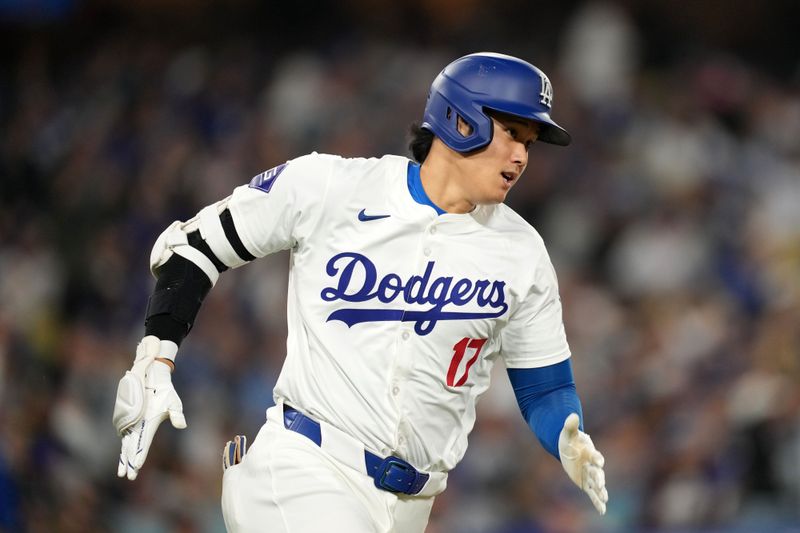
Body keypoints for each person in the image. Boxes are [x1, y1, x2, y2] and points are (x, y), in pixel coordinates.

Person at [113, 51, 608, 532]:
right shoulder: (334, 187)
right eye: (512, 134)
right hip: (303, 468)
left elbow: (546, 387)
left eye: (530, 142)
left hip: (410, 506)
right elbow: (196, 246)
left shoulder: (522, 252)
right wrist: (157, 354)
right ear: (461, 121)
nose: (522, 155)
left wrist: (567, 433)